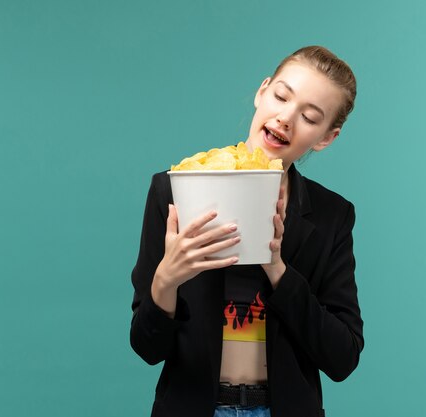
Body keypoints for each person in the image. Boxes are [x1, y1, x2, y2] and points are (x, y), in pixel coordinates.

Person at [130, 45, 364, 417]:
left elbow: (343, 358)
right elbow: (146, 348)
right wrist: (166, 281)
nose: (286, 117)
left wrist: (278, 270)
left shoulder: (332, 216)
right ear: (262, 92)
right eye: (281, 96)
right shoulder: (174, 190)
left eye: (309, 116)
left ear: (325, 138)